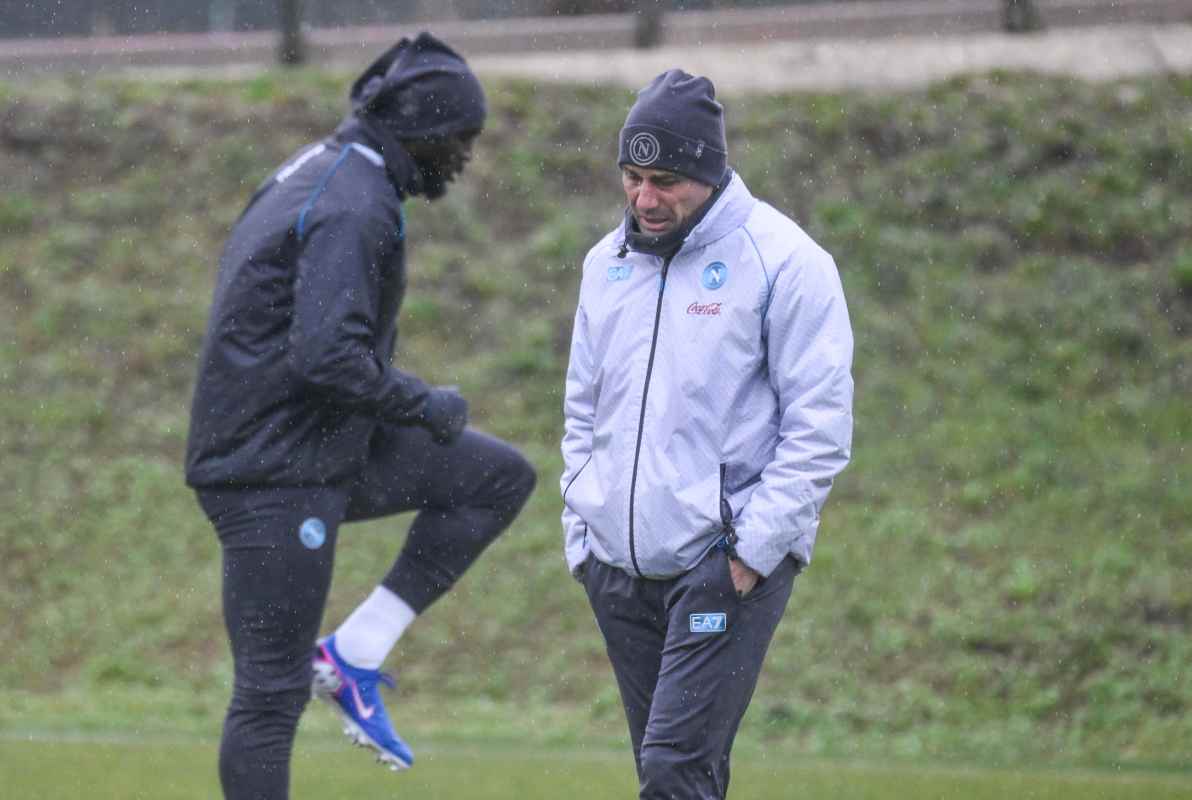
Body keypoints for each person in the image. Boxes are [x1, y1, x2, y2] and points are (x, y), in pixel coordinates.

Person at [185, 33, 536, 800]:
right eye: (462, 138)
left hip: (316, 446)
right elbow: (325, 357)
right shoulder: (354, 202)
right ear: (421, 130)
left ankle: (354, 654)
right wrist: (423, 402)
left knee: (496, 478)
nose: (467, 157)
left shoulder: (332, 170)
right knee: (269, 695)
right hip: (269, 473)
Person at [560, 69, 854, 799]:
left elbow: (820, 428)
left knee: (673, 771)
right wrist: (583, 532)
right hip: (619, 571)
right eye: (631, 176)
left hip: (723, 567)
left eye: (665, 180)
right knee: (679, 777)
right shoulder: (607, 266)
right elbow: (581, 410)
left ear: (710, 171)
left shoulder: (788, 264)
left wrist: (750, 554)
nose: (644, 198)